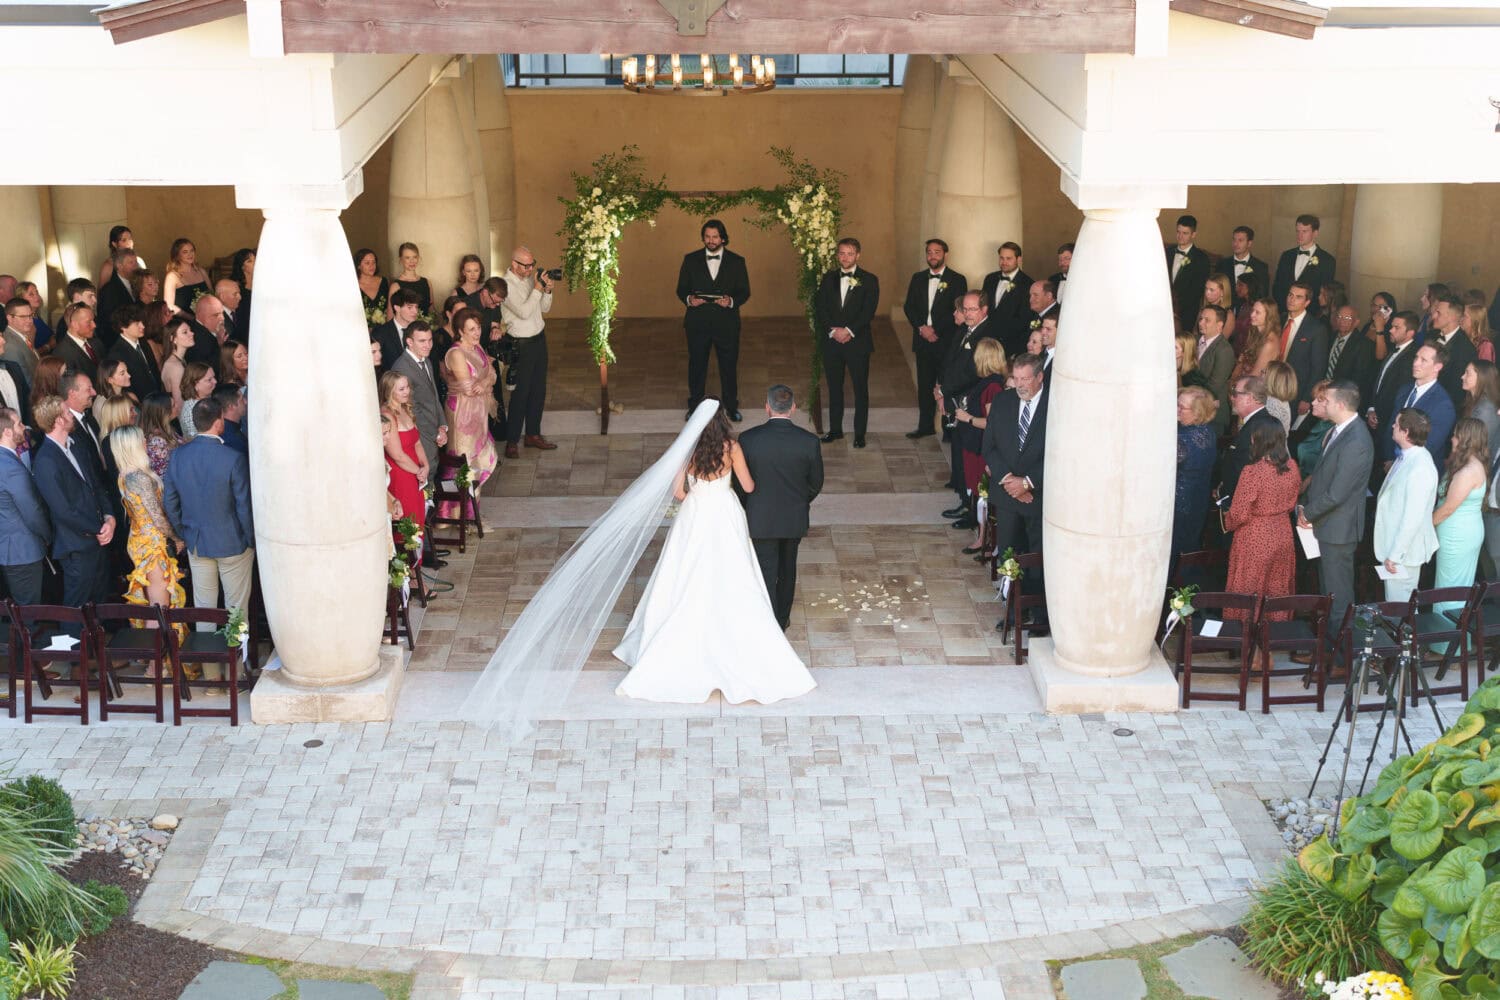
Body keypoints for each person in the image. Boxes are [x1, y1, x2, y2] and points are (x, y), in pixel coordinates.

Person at [614, 402, 816, 704]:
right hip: (724, 513)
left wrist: (698, 491)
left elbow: (678, 493)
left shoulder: (690, 451)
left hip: (694, 515)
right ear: (722, 422)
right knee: (731, 572)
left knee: (685, 571)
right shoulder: (732, 447)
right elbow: (748, 486)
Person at [163, 395, 255, 676]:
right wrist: (251, 540)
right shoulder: (233, 458)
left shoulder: (179, 455)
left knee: (204, 609)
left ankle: (212, 675)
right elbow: (243, 507)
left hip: (197, 542)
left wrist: (185, 532)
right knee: (235, 609)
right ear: (219, 424)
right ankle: (235, 672)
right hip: (233, 543)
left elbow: (170, 502)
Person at [737, 385, 824, 630]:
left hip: (761, 518)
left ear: (767, 407)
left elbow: (740, 485)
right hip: (793, 517)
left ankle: (767, 620)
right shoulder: (808, 442)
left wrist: (751, 506)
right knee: (788, 569)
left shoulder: (748, 439)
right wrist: (799, 501)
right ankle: (781, 619)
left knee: (765, 569)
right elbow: (816, 482)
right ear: (793, 408)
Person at [31, 395, 115, 641]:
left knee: (98, 603)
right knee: (76, 608)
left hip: (98, 538)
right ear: (58, 420)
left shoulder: (76, 444)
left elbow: (97, 486)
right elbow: (63, 510)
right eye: (67, 412)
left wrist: (110, 518)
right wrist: (99, 528)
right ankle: (76, 663)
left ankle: (97, 656)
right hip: (77, 546)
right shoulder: (45, 460)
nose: (72, 415)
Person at [1297, 381, 1373, 639]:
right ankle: (1328, 650)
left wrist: (1307, 512)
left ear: (1340, 405)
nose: (1322, 404)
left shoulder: (1356, 439)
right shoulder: (1338, 430)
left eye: (1326, 401)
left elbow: (1338, 493)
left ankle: (1342, 656)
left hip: (1339, 529)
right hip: (1327, 525)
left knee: (1339, 596)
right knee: (1329, 591)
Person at [981, 353, 1049, 635]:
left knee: (1037, 557)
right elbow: (990, 447)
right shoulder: (1003, 401)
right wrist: (1010, 481)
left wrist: (1028, 483)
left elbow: (1061, 452)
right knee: (1010, 554)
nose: (1020, 385)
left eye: (1025, 379)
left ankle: (1040, 615)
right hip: (1007, 496)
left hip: (1039, 498)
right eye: (1016, 378)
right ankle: (1013, 610)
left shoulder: (1056, 405)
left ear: (1039, 377)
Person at [112, 425, 187, 647]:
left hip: (140, 541)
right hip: (152, 546)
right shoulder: (139, 478)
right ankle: (156, 667)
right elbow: (157, 516)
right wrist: (176, 537)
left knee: (155, 604)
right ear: (133, 446)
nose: (146, 442)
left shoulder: (125, 475)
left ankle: (156, 663)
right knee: (160, 608)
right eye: (141, 440)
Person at [677, 219, 752, 421]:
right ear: (703, 238)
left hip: (726, 324)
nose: (711, 241)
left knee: (728, 367)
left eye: (715, 237)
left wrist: (731, 301)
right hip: (697, 323)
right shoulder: (690, 260)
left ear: (723, 238)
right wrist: (689, 299)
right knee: (697, 366)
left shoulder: (737, 261)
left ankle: (731, 406)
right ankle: (695, 407)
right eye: (707, 237)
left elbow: (745, 292)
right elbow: (681, 289)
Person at [1225, 423, 1300, 620]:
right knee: (1277, 587)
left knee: (1248, 588)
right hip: (1283, 532)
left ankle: (1246, 638)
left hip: (1255, 534)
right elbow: (1293, 501)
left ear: (1256, 441)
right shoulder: (1292, 467)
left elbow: (1239, 513)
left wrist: (1227, 522)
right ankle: (1273, 636)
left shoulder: (1252, 472)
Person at [814, 237, 880, 448]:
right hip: (832, 342)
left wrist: (849, 331)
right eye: (841, 253)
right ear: (837, 255)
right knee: (834, 387)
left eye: (850, 253)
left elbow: (868, 311)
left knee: (860, 388)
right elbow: (820, 308)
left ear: (858, 255)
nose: (845, 257)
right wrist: (833, 332)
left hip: (857, 342)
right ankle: (835, 430)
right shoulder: (828, 278)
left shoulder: (869, 280)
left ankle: (860, 434)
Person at [902, 238, 967, 439]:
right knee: (924, 385)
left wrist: (935, 330)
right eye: (929, 252)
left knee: (946, 384)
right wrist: (921, 328)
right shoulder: (918, 277)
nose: (932, 256)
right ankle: (925, 426)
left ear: (945, 254)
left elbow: (958, 310)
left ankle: (948, 428)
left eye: (937, 252)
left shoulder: (957, 279)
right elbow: (909, 306)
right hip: (922, 340)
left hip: (945, 340)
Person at [938, 293, 993, 527]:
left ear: (984, 310)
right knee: (959, 454)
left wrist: (945, 390)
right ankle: (964, 499)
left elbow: (973, 372)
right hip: (955, 399)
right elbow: (949, 362)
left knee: (971, 459)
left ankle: (972, 510)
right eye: (966, 309)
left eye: (972, 309)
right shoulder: (963, 331)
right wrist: (939, 387)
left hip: (972, 402)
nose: (968, 314)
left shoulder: (986, 335)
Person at [438, 308, 499, 518]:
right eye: (471, 329)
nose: (477, 333)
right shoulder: (456, 353)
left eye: (478, 328)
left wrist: (484, 382)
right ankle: (453, 516)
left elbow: (492, 373)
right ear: (460, 331)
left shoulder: (477, 347)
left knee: (481, 460)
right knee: (464, 462)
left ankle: (472, 513)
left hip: (478, 413)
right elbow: (468, 388)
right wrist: (484, 382)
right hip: (462, 415)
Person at [1374, 408, 1439, 602]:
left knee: (1401, 608)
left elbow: (1413, 518)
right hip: (1395, 548)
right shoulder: (1407, 457)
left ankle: (1406, 634)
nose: (1393, 426)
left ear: (1406, 432)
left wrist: (1395, 555)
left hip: (1404, 554)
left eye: (1397, 423)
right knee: (1397, 607)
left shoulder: (1420, 467)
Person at [1433, 417, 1489, 636]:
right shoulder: (1472, 465)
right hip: (1464, 531)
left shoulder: (1467, 472)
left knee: (1450, 590)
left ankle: (1448, 646)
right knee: (1456, 588)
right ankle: (1453, 646)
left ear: (1466, 439)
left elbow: (1448, 508)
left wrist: (1423, 529)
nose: (1452, 438)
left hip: (1457, 534)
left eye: (1456, 434)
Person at [500, 246, 556, 457]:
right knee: (520, 393)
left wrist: (547, 290)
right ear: (514, 264)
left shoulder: (529, 281)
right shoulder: (506, 285)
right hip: (521, 344)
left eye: (533, 264)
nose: (531, 268)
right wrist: (538, 289)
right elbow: (523, 312)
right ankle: (512, 440)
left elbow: (544, 309)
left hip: (539, 340)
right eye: (526, 265)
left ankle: (533, 434)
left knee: (538, 390)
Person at [0, 406, 51, 605]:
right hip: (22, 551)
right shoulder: (11, 468)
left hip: (10, 549)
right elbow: (32, 511)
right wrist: (47, 535)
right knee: (28, 612)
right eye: (19, 424)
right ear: (7, 432)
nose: (24, 428)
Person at [392, 321, 448, 497]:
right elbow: (412, 409)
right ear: (409, 342)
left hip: (433, 430)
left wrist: (443, 425)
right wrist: (435, 433)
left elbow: (434, 396)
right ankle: (423, 520)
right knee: (424, 476)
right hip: (419, 433)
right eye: (422, 341)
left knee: (431, 474)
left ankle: (427, 514)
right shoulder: (402, 367)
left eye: (430, 340)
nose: (428, 345)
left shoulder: (427, 361)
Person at [953, 338, 1009, 502]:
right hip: (972, 442)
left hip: (980, 446)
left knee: (979, 486)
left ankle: (975, 520)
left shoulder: (993, 387)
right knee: (971, 483)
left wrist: (967, 418)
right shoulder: (986, 381)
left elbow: (991, 423)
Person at [1386, 342, 1455, 467]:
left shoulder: (1443, 405)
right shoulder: (1404, 390)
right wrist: (1388, 458)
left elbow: (1429, 446)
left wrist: (1397, 464)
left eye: (1423, 360)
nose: (1415, 363)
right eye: (1416, 357)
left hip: (1415, 471)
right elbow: (1391, 426)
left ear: (1437, 367)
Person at [1218, 376, 1280, 508]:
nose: (1232, 398)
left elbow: (1257, 473)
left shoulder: (1263, 425)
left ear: (1250, 398)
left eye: (1236, 394)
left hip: (1245, 506)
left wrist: (1228, 498)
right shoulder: (1256, 422)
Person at [1173, 386, 1217, 567]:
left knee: (1175, 551)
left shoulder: (1180, 440)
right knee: (1189, 548)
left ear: (1197, 413)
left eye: (1181, 407)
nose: (1176, 409)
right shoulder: (1209, 432)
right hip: (1198, 499)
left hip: (1179, 504)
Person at [379, 371, 428, 529]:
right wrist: (418, 472)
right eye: (401, 389)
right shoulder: (387, 415)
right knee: (408, 518)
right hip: (401, 474)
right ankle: (409, 553)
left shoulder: (405, 409)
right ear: (389, 391)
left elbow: (417, 442)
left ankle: (418, 553)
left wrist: (425, 466)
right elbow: (398, 455)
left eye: (407, 387)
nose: (407, 391)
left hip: (415, 472)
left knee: (418, 514)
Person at [1368, 309, 1421, 448]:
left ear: (1410, 333)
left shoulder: (1412, 357)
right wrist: (1372, 408)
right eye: (1391, 326)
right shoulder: (1393, 348)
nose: (1390, 330)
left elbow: (1400, 394)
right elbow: (1380, 382)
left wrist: (1383, 416)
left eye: (1396, 327)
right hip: (1377, 416)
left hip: (1390, 422)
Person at [1279, 283, 1330, 411]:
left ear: (1307, 302)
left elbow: (1319, 367)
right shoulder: (1280, 319)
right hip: (1273, 384)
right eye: (1290, 295)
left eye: (1298, 297)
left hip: (1295, 390)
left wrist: (1307, 398)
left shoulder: (1316, 329)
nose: (1292, 300)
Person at [1273, 214, 1337, 316]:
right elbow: (1277, 286)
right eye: (1298, 231)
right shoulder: (1286, 256)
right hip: (1285, 313)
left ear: (1315, 233)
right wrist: (1285, 309)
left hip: (1311, 316)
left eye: (1304, 231)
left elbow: (1325, 294)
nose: (1300, 235)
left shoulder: (1327, 260)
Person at [980, 242, 1032, 359]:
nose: (1004, 262)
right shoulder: (990, 279)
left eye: (1009, 258)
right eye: (1001, 258)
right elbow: (983, 307)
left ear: (1018, 259)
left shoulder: (1027, 283)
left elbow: (1024, 319)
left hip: (1009, 345)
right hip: (986, 340)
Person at [105, 302, 163, 399]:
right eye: (137, 324)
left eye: (142, 322)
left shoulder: (144, 343)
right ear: (123, 327)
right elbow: (123, 386)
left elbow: (153, 371)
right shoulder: (116, 353)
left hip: (156, 400)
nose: (143, 326)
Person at [1195, 305, 1236, 434]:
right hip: (1195, 409)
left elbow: (1214, 386)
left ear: (1219, 325)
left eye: (1207, 320)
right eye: (1201, 318)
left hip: (1213, 416)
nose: (1201, 322)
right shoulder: (1196, 341)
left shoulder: (1224, 350)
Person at [1165, 214, 1210, 329]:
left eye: (1185, 233)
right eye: (1178, 232)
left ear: (1193, 234)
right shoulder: (1167, 252)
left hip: (1185, 314)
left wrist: (1176, 310)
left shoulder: (1201, 259)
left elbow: (1197, 291)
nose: (1180, 236)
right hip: (1163, 309)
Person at [1326, 303, 1376, 405]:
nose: (1342, 321)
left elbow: (1359, 378)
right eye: (1339, 317)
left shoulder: (1364, 344)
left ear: (1356, 322)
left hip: (1343, 398)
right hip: (1323, 391)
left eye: (1347, 318)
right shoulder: (1330, 337)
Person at [1432, 294, 1477, 404]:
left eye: (1438, 313)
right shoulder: (1431, 336)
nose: (1433, 316)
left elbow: (1456, 392)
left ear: (1452, 317)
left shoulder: (1465, 349)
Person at [95, 247, 139, 350]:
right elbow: (108, 322)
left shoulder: (136, 284)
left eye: (136, 262)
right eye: (131, 263)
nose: (136, 266)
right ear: (119, 266)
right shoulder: (109, 290)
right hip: (119, 343)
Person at [1231, 298, 1282, 383]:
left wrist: (1234, 386)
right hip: (1243, 383)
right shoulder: (1255, 333)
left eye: (1257, 312)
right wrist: (1232, 380)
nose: (1252, 315)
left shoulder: (1270, 343)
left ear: (1269, 316)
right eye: (1252, 311)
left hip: (1253, 390)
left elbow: (1254, 376)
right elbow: (1241, 360)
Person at [1216, 226, 1269, 306]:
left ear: (1249, 243)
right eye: (1234, 239)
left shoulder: (1260, 267)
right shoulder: (1222, 264)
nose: (1235, 244)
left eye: (1240, 240)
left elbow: (1262, 295)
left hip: (1249, 313)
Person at [373, 287, 421, 373]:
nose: (415, 311)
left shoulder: (421, 331)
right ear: (397, 308)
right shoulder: (381, 333)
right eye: (410, 307)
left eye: (416, 307)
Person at [1295, 380, 1335, 478]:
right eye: (1314, 399)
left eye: (1319, 400)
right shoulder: (1319, 423)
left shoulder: (1333, 432)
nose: (1313, 403)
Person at [162, 237, 211, 315]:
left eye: (192, 251)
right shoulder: (172, 277)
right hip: (185, 321)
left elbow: (211, 294)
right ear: (177, 255)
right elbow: (169, 305)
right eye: (185, 252)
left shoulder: (201, 271)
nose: (190, 254)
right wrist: (191, 318)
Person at [51, 302, 101, 378]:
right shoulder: (62, 354)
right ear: (74, 325)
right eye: (88, 322)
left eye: (93, 320)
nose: (94, 325)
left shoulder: (96, 343)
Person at [158, 315, 195, 417]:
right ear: (173, 339)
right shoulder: (175, 366)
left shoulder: (180, 360)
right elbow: (179, 405)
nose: (192, 333)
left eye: (190, 330)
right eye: (185, 332)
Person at [1462, 359, 1500, 453]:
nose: (1462, 377)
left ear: (1482, 378)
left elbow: (1477, 448)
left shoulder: (1486, 409)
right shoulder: (1476, 402)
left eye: (1468, 373)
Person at [388, 242, 432, 319]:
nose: (412, 261)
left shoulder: (427, 282)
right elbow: (390, 315)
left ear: (418, 258)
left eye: (414, 257)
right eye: (407, 258)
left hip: (425, 328)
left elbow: (431, 310)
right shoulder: (395, 286)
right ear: (401, 260)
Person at [139, 392, 179, 477]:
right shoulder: (157, 441)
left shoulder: (166, 429)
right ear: (164, 413)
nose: (177, 407)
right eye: (173, 406)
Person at [3, 296, 41, 381]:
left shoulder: (23, 334)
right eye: (23, 317)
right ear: (9, 318)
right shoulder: (10, 346)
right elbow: (24, 381)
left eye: (31, 315)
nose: (29, 320)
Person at [178, 361, 217, 440]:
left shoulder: (207, 399)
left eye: (214, 377)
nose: (215, 381)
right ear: (195, 385)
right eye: (209, 380)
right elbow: (198, 441)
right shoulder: (191, 413)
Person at [354, 248, 390, 332]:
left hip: (384, 331)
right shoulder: (353, 286)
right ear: (358, 265)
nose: (372, 266)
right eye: (367, 263)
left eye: (374, 262)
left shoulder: (384, 282)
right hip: (361, 332)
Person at [1360, 292, 1397, 361]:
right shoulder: (1367, 326)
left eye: (1381, 307)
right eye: (1374, 305)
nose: (1376, 309)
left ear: (1389, 311)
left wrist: (1380, 327)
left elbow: (1381, 356)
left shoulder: (1392, 331)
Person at [17, 282, 53, 352]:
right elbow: (29, 352)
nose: (37, 296)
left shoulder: (36, 315)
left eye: (37, 292)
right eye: (31, 294)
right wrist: (48, 346)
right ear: (21, 299)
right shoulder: (27, 322)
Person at [1263, 361, 1297, 433]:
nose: (1261, 374)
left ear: (1272, 380)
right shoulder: (1277, 400)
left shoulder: (1273, 405)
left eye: (1264, 372)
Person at [214, 385, 248, 454]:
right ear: (231, 406)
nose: (246, 401)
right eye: (241, 399)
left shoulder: (214, 429)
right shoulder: (236, 441)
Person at [230, 248, 256, 337]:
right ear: (242, 266)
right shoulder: (236, 287)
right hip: (243, 328)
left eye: (255, 259)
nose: (255, 263)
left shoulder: (261, 283)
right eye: (250, 261)